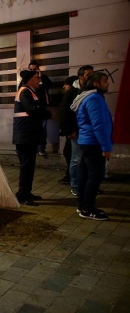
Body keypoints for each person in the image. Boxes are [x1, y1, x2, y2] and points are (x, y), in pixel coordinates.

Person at [70, 72, 112, 221]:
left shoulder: (88, 97)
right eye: (105, 81)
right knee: (94, 177)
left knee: (85, 175)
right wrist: (106, 147)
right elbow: (99, 125)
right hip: (93, 143)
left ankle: (83, 205)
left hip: (87, 142)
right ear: (96, 84)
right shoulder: (94, 98)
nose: (108, 83)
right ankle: (87, 209)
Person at [13, 70, 53, 206]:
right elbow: (31, 109)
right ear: (29, 80)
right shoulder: (25, 91)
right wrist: (47, 114)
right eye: (37, 78)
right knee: (26, 166)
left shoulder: (30, 91)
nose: (39, 80)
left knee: (29, 166)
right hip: (25, 135)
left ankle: (26, 192)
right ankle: (22, 195)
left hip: (29, 135)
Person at [59, 66, 94, 196]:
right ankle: (75, 185)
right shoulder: (71, 92)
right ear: (80, 76)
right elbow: (64, 113)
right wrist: (69, 130)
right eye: (88, 74)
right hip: (76, 131)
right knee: (76, 159)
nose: (91, 77)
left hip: (87, 131)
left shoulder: (91, 91)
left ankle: (86, 185)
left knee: (86, 160)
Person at [27, 61, 53, 157]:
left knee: (42, 127)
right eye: (31, 69)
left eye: (35, 69)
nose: (33, 71)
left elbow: (49, 86)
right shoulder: (27, 79)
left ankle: (41, 148)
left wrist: (40, 77)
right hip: (31, 106)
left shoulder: (43, 78)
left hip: (42, 106)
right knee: (30, 127)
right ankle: (30, 147)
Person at [58, 75, 78, 185]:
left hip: (73, 131)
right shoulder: (72, 94)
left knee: (70, 153)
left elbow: (65, 113)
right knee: (69, 152)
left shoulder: (71, 95)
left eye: (66, 84)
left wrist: (69, 130)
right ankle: (70, 175)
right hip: (71, 130)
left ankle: (72, 176)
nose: (64, 86)